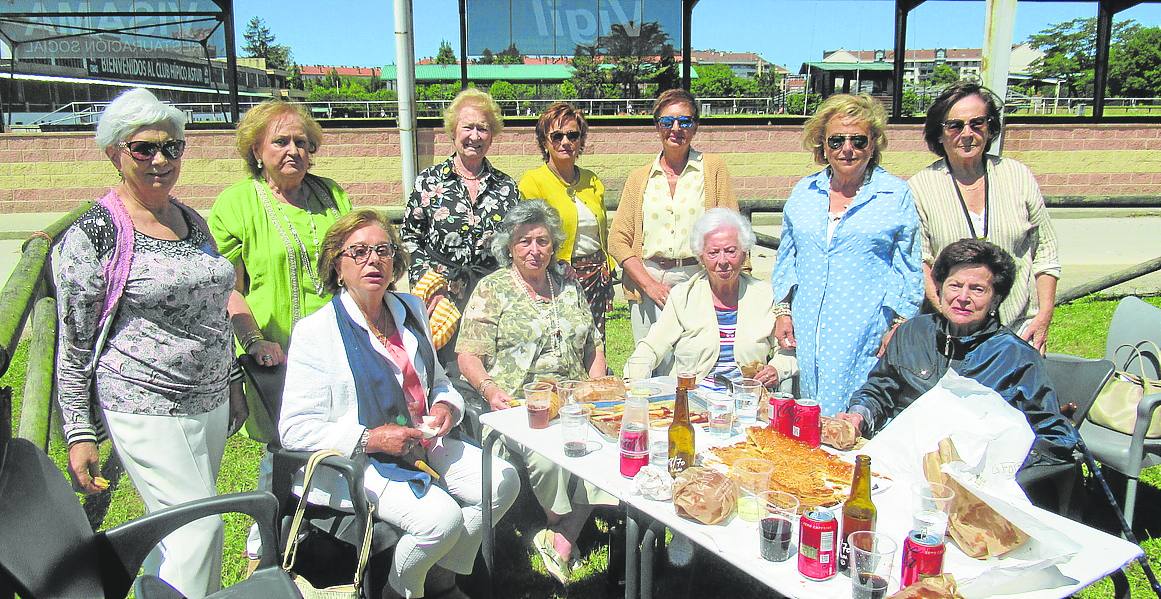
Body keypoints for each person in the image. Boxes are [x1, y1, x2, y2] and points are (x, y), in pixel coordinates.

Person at [54, 87, 242, 597]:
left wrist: (230, 382)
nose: (160, 159)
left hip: (207, 404)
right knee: (199, 533)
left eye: (172, 147)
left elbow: (212, 309)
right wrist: (79, 432)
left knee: (172, 533)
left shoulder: (190, 219)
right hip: (143, 403)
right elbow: (73, 346)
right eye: (144, 149)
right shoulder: (95, 235)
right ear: (115, 153)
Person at [279, 209, 520, 599]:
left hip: (422, 442)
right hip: (359, 461)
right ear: (337, 266)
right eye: (357, 252)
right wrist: (370, 438)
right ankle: (399, 591)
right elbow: (293, 429)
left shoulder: (410, 308)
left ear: (395, 261)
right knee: (441, 520)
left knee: (503, 482)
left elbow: (440, 382)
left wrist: (446, 407)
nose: (372, 260)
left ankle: (442, 580)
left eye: (383, 250)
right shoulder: (316, 332)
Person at [456, 200, 610, 585]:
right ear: (510, 246)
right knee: (546, 457)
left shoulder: (568, 285)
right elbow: (467, 354)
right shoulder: (493, 289)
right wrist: (490, 390)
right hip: (520, 404)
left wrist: (596, 389)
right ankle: (565, 525)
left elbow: (594, 346)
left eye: (542, 241)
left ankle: (559, 538)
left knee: (608, 448)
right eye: (525, 241)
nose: (534, 250)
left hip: (574, 399)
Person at [842, 239, 1077, 475]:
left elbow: (1054, 436)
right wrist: (859, 414)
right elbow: (880, 389)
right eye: (954, 285)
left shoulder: (1017, 357)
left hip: (970, 479)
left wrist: (998, 470)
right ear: (940, 288)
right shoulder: (912, 333)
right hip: (896, 460)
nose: (963, 297)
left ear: (995, 299)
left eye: (977, 289)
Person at [209, 100, 352, 441]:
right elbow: (228, 289)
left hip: (338, 344)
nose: (294, 150)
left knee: (340, 433)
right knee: (285, 444)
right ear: (256, 150)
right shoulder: (236, 204)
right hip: (275, 352)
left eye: (301, 142)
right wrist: (254, 341)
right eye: (281, 142)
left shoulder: (331, 194)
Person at [772, 93, 923, 416]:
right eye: (836, 140)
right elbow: (787, 256)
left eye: (858, 140)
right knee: (809, 410)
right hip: (808, 325)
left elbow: (908, 266)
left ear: (873, 145)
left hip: (863, 327)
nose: (847, 149)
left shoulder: (894, 194)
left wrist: (899, 323)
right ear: (822, 145)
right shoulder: (804, 192)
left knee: (855, 412)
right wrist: (783, 310)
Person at [909, 81, 1060, 353]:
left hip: (1018, 331)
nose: (967, 134)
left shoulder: (1018, 176)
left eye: (977, 123)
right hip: (952, 333)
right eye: (955, 126)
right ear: (940, 134)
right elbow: (922, 262)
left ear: (990, 128)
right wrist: (949, 312)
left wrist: (1044, 316)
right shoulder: (920, 187)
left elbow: (1046, 252)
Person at [609, 89, 739, 355]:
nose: (676, 128)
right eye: (667, 122)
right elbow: (618, 239)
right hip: (647, 281)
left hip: (698, 280)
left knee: (694, 361)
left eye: (685, 121)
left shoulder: (713, 169)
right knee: (650, 361)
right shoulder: (639, 177)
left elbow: (731, 231)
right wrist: (649, 284)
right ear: (657, 126)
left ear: (696, 125)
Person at [403, 88, 522, 363]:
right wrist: (428, 286)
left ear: (492, 135)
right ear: (453, 131)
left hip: (491, 299)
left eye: (483, 128)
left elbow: (518, 243)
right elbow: (409, 238)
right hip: (440, 298)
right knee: (442, 373)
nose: (475, 136)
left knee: (488, 370)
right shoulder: (428, 182)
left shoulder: (507, 187)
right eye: (468, 127)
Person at [627, 208, 797, 392]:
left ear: (744, 253)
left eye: (731, 251)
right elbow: (651, 348)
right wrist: (633, 385)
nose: (722, 261)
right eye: (713, 253)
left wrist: (777, 369)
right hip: (692, 401)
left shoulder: (766, 296)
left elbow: (788, 350)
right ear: (701, 256)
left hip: (747, 401)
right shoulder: (683, 296)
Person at [518, 102, 615, 338]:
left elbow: (602, 233)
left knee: (595, 343)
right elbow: (530, 236)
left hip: (596, 278)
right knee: (562, 343)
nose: (565, 142)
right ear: (544, 141)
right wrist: (555, 264)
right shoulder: (533, 182)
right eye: (557, 136)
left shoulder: (592, 181)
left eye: (572, 135)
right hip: (556, 276)